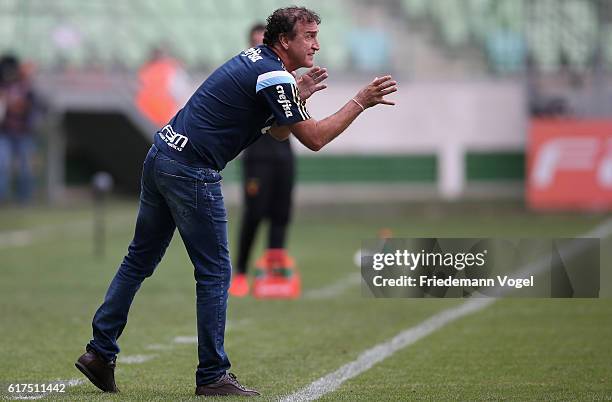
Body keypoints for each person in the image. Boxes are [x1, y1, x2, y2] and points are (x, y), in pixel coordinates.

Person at [75, 6, 396, 397]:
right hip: (190, 170)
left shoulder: (263, 63)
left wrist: (300, 94)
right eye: (308, 35)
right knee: (214, 274)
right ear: (284, 41)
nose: (316, 43)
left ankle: (99, 352)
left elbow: (280, 133)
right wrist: (360, 101)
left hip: (162, 154)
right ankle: (212, 374)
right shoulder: (275, 74)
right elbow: (313, 138)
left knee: (138, 260)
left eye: (316, 35)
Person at [230, 23, 302, 298]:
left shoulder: (285, 77)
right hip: (257, 157)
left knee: (281, 216)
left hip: (284, 156)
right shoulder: (247, 76)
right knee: (254, 214)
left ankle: (274, 274)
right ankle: (240, 273)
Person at [0, 54, 37, 204]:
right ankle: (2, 199)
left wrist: (8, 102)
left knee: (25, 169)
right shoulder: (2, 86)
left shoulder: (25, 85)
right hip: (4, 133)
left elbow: (25, 106)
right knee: (2, 165)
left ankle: (24, 200)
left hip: (23, 133)